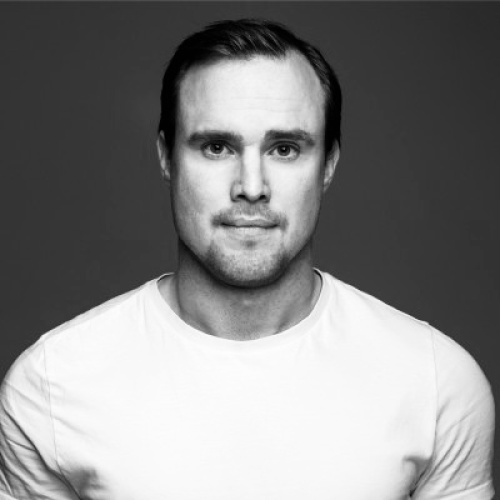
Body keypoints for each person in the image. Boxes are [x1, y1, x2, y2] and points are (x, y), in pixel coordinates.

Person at [0, 18, 495, 500]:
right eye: (217, 147)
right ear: (167, 157)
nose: (252, 187)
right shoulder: (51, 385)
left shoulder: (436, 383)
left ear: (328, 164)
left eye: (285, 149)